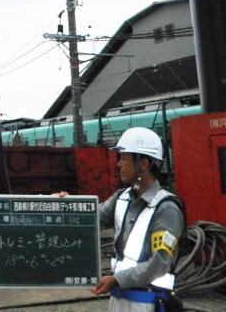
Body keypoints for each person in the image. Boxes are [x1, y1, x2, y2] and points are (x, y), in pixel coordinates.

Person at [91, 127, 186, 312]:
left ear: (143, 164)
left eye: (124, 159)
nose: (118, 164)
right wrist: (67, 207)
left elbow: (160, 263)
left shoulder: (166, 209)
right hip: (120, 298)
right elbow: (89, 221)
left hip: (148, 302)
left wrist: (117, 279)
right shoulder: (122, 198)